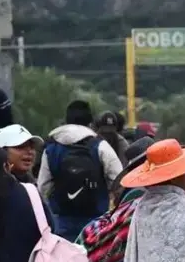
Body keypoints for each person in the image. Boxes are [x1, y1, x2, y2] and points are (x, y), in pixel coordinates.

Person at [38, 100, 124, 240]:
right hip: (96, 224)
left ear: (66, 121)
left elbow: (43, 187)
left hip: (62, 223)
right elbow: (119, 179)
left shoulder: (51, 149)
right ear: (90, 123)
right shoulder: (100, 146)